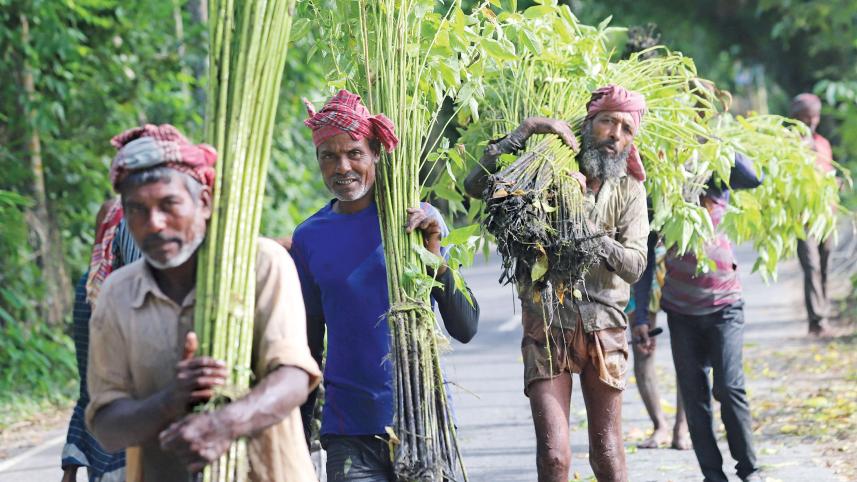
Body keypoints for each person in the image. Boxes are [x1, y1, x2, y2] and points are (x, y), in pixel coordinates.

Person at [85, 124, 321, 482]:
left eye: (169, 204)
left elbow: (294, 376)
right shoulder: (117, 294)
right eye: (137, 210)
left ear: (204, 203)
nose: (155, 224)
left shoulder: (261, 264)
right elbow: (106, 424)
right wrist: (170, 400)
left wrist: (223, 424)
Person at [291, 89, 480, 482]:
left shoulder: (416, 223)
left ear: (376, 152)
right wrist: (299, 431)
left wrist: (436, 258)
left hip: (422, 420)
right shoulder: (309, 237)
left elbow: (466, 327)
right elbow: (308, 343)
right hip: (348, 430)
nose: (342, 166)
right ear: (318, 162)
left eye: (354, 153)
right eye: (329, 156)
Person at [464, 85, 649, 482]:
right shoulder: (544, 169)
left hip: (605, 327)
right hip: (547, 324)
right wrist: (525, 130)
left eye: (626, 128)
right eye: (607, 122)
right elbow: (476, 186)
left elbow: (634, 266)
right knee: (553, 457)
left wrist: (580, 217)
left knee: (608, 455)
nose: (615, 134)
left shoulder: (631, 192)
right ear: (587, 125)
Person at [660, 153, 763, 482]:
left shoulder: (717, 179)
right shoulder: (662, 189)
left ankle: (749, 471)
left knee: (729, 388)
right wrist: (640, 318)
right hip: (680, 309)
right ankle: (712, 475)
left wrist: (717, 149)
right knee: (694, 395)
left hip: (725, 305)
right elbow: (647, 253)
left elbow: (753, 177)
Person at [62, 199, 141, 482]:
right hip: (117, 300)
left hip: (90, 291)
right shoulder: (147, 210)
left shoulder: (111, 207)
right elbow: (136, 269)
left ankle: (71, 469)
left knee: (89, 389)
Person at [628, 231, 690, 450]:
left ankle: (681, 428)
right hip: (639, 255)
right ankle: (660, 426)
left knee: (687, 354)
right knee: (643, 350)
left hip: (677, 254)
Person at [790, 93, 836, 336]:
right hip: (802, 218)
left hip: (826, 217)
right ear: (795, 118)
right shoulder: (789, 145)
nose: (811, 122)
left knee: (825, 265)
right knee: (812, 266)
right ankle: (816, 320)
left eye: (814, 117)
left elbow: (828, 174)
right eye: (806, 118)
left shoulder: (824, 144)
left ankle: (823, 313)